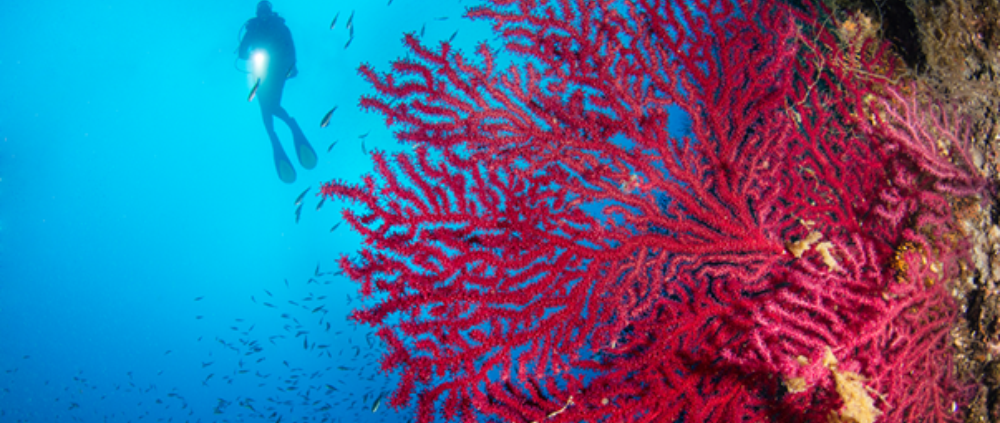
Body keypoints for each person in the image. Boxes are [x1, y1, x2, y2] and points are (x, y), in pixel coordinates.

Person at [238, 1, 316, 184]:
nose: (263, 13)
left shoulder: (268, 26)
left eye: (265, 10)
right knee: (269, 109)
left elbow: (289, 45)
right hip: (268, 71)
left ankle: (284, 131)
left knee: (269, 108)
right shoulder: (256, 27)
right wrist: (292, 66)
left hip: (275, 70)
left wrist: (292, 66)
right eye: (262, 10)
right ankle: (283, 131)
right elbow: (242, 51)